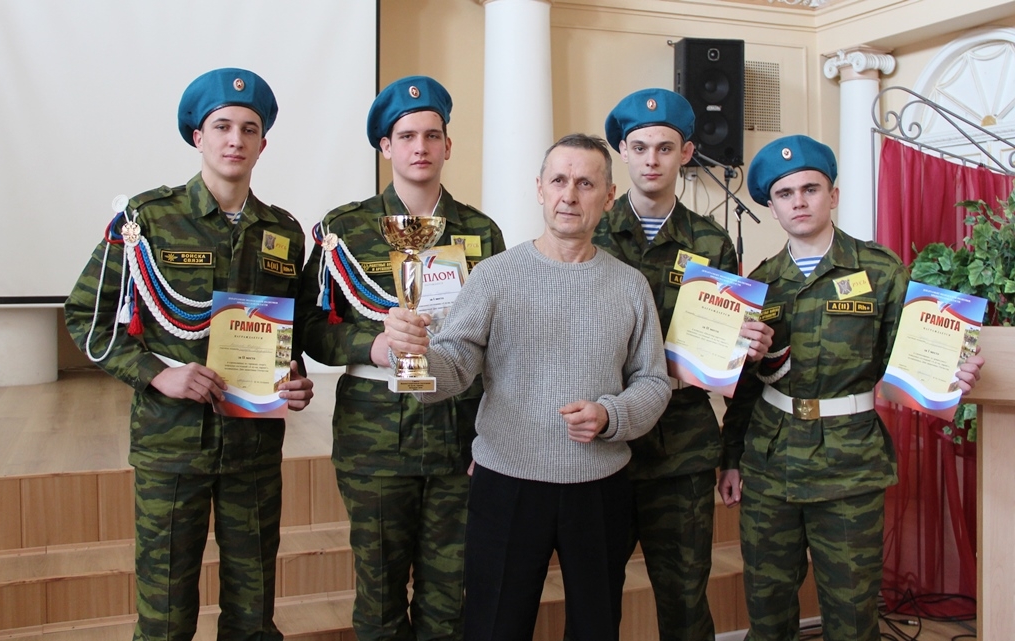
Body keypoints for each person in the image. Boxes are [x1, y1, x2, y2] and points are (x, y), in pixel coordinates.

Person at [384, 133, 673, 641]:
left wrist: (612, 415)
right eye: (559, 181)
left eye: (586, 184)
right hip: (507, 483)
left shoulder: (630, 285)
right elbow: (456, 363)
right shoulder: (495, 276)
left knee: (596, 628)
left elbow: (652, 380)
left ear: (609, 196)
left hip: (598, 485)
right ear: (539, 189)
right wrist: (414, 356)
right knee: (494, 626)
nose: (570, 195)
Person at [65, 68, 314, 640]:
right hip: (172, 445)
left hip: (252, 447)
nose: (235, 139)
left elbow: (290, 333)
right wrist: (158, 374)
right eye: (221, 126)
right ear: (198, 137)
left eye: (249, 129)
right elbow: (85, 316)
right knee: (166, 614)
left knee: (253, 614)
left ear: (263, 144)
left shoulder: (284, 232)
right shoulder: (147, 221)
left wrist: (295, 377)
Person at [717, 135, 984, 641]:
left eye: (810, 189)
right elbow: (744, 387)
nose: (798, 201)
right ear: (772, 207)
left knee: (853, 614)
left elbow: (910, 358)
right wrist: (730, 458)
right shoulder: (760, 285)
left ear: (833, 195)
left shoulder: (881, 270)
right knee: (767, 610)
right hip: (770, 464)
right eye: (785, 193)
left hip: (849, 466)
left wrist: (952, 376)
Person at [297, 75, 505, 641]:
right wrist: (372, 346)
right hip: (375, 439)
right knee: (381, 596)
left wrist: (490, 439)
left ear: (448, 146)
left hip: (458, 434)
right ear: (385, 146)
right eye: (407, 136)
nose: (420, 147)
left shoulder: (481, 233)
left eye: (432, 136)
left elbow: (503, 342)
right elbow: (310, 327)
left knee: (449, 599)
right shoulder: (344, 231)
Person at [587, 88, 773, 641]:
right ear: (623, 151)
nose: (652, 160)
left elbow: (732, 365)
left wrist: (742, 345)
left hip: (682, 446)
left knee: (685, 598)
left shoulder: (712, 242)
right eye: (640, 147)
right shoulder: (589, 233)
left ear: (686, 154)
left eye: (665, 148)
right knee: (595, 596)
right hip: (601, 442)